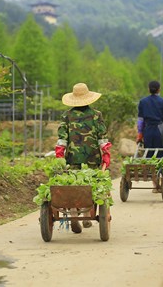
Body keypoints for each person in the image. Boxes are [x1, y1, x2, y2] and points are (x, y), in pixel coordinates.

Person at [54, 82, 112, 233]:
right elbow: (102, 138)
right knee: (90, 183)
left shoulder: (66, 115)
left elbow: (62, 140)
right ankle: (86, 213)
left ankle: (73, 212)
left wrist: (60, 154)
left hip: (72, 158)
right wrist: (106, 153)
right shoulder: (96, 115)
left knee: (74, 183)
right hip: (92, 157)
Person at [136, 80, 163, 159]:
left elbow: (140, 121)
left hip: (147, 131)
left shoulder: (143, 102)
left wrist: (140, 134)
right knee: (160, 155)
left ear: (148, 89)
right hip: (159, 131)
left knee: (148, 154)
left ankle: (150, 170)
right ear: (159, 89)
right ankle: (160, 170)